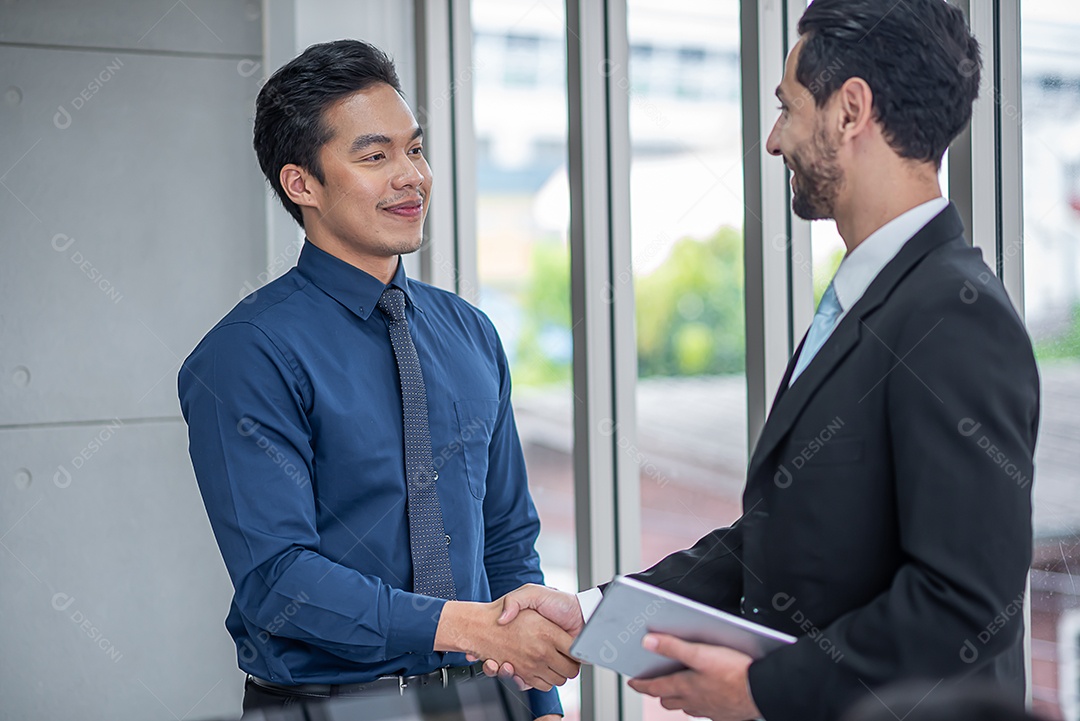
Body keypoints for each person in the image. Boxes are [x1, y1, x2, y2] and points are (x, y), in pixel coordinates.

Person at [483, 1, 1041, 719]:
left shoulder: (956, 316)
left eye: (788, 108)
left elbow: (962, 607)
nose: (775, 140)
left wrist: (760, 690)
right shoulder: (874, 298)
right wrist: (591, 612)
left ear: (851, 111)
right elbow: (780, 538)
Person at [178, 39, 575, 720]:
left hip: (489, 699)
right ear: (301, 183)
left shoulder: (471, 332)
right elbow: (279, 581)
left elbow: (507, 537)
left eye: (414, 149)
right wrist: (461, 625)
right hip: (333, 707)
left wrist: (544, 704)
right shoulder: (246, 354)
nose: (411, 176)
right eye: (375, 156)